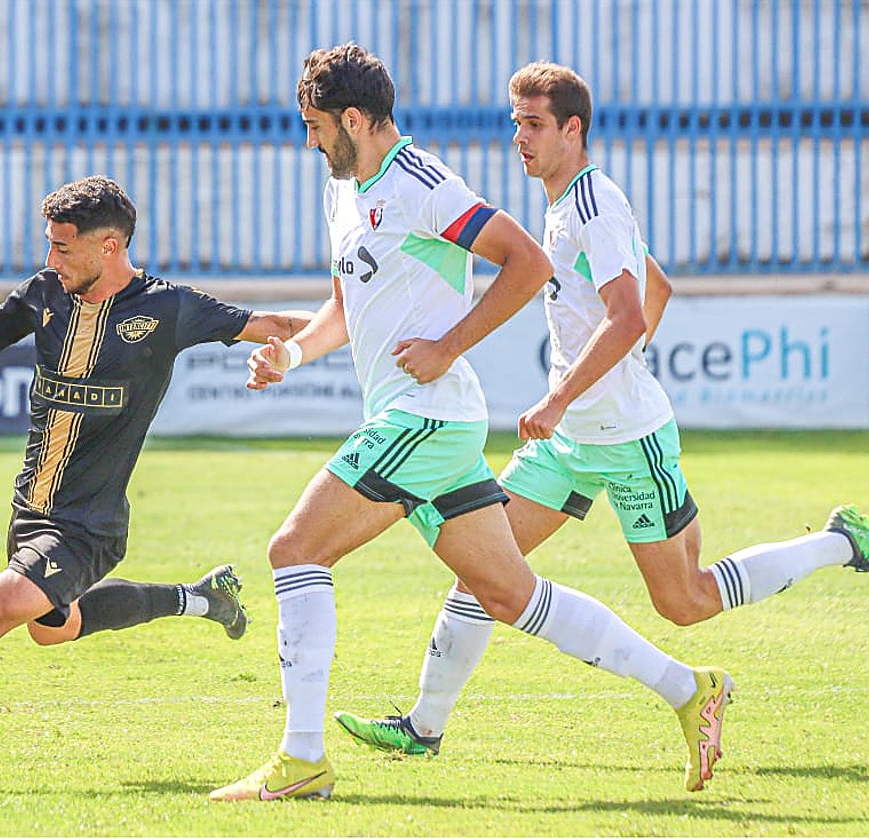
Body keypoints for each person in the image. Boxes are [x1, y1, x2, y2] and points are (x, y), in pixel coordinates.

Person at [209, 44, 734, 802]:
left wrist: (449, 345)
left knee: (294, 549)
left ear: (354, 119)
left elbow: (525, 261)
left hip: (424, 418)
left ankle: (301, 760)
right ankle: (690, 688)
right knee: (510, 596)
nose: (311, 141)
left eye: (317, 126)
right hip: (431, 426)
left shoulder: (422, 183)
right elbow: (346, 310)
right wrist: (288, 354)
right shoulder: (344, 192)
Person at [332, 60, 869, 771]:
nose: (518, 138)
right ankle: (424, 726)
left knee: (685, 600)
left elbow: (624, 316)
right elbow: (658, 289)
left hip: (625, 438)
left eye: (533, 125)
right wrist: (587, 385)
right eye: (514, 123)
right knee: (484, 571)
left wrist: (567, 394)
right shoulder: (564, 203)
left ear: (572, 129)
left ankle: (840, 541)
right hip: (570, 444)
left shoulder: (594, 204)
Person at [0, 175, 312, 790]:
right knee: (58, 628)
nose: (50, 259)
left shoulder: (168, 308)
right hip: (31, 511)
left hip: (88, 525)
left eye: (62, 247)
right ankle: (203, 598)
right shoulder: (45, 293)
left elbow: (273, 324)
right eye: (49, 246)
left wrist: (356, 329)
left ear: (109, 247)